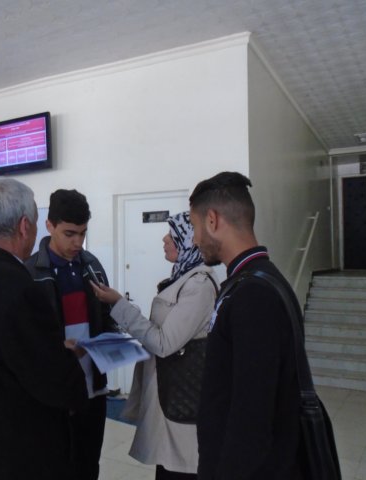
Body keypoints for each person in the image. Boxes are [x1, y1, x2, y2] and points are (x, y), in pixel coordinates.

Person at [0, 179, 88, 480]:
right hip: (19, 457)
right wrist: (67, 359)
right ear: (24, 226)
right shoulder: (19, 288)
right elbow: (53, 382)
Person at [189, 172, 303, 479]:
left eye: (194, 226)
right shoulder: (252, 281)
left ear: (212, 220)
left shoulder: (254, 294)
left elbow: (251, 420)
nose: (194, 239)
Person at [91, 211, 218, 479]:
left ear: (189, 241)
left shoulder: (198, 285)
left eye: (172, 234)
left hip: (180, 399)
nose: (164, 239)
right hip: (168, 394)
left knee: (178, 470)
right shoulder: (182, 278)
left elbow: (163, 343)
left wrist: (119, 305)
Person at [24, 188, 117, 480]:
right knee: (55, 467)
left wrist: (114, 340)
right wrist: (57, 348)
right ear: (49, 226)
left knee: (88, 466)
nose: (78, 242)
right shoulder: (29, 273)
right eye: (69, 234)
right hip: (53, 393)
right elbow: (23, 338)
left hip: (93, 389)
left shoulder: (92, 266)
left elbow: (106, 318)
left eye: (83, 233)